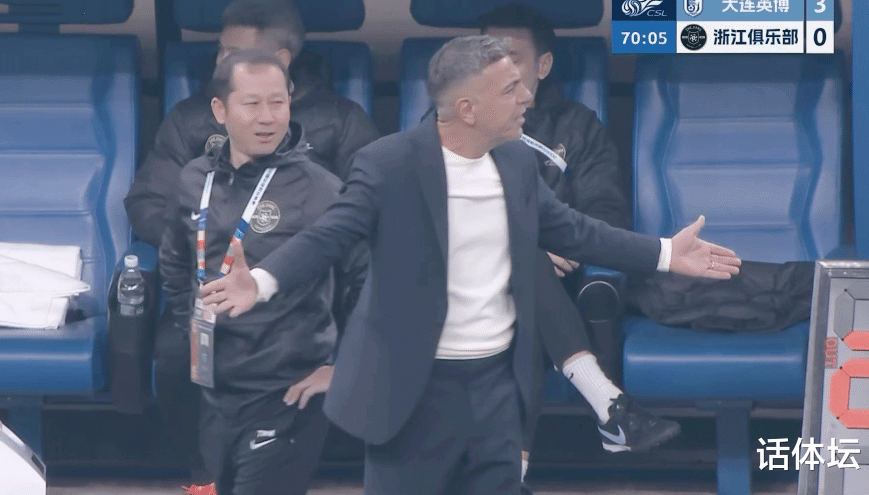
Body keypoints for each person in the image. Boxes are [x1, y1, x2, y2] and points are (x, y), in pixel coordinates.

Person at [200, 35, 742, 495]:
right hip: (411, 391)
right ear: (467, 109)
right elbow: (329, 236)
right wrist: (261, 281)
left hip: (495, 386)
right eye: (509, 89)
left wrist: (666, 253)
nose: (526, 97)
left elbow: (576, 231)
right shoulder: (389, 164)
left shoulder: (516, 162)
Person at [128, 0, 377, 492]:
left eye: (277, 103)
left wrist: (343, 364)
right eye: (252, 105)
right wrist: (194, 311)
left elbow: (368, 273)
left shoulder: (323, 183)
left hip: (285, 369)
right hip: (216, 367)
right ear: (220, 110)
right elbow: (174, 256)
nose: (267, 118)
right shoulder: (194, 176)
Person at [478, 3, 675, 493]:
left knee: (525, 299)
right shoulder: (456, 118)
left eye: (513, 57)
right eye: (487, 55)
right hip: (463, 275)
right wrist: (522, 247)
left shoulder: (577, 126)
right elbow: (434, 213)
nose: (498, 68)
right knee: (525, 265)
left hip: (551, 283)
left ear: (542, 66)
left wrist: (551, 248)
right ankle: (608, 406)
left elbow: (604, 212)